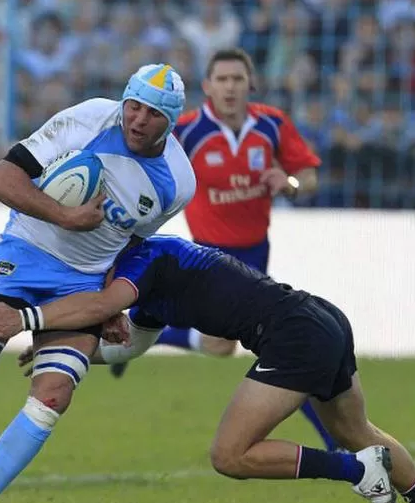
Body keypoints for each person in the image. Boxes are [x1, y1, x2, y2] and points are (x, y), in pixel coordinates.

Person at [0, 235, 415, 503]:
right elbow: (129, 345)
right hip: (320, 317)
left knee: (230, 455)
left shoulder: (142, 260)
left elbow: (103, 302)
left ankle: (354, 470)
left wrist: (25, 320)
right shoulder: (156, 266)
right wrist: (67, 352)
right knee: (354, 428)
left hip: (292, 334)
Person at [0, 64, 196, 503]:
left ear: (172, 121)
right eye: (134, 106)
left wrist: (109, 303)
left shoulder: (178, 183)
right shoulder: (90, 119)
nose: (138, 119)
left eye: (152, 114)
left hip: (81, 282)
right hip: (25, 254)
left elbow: (131, 245)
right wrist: (66, 216)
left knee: (53, 396)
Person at [109, 48, 335, 453]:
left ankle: (144, 328)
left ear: (251, 83)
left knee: (232, 346)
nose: (230, 87)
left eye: (237, 79)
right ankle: (334, 444)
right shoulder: (189, 131)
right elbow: (148, 167)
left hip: (256, 252)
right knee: (285, 346)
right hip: (209, 258)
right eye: (222, 79)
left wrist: (290, 184)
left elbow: (309, 177)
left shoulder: (271, 124)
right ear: (208, 87)